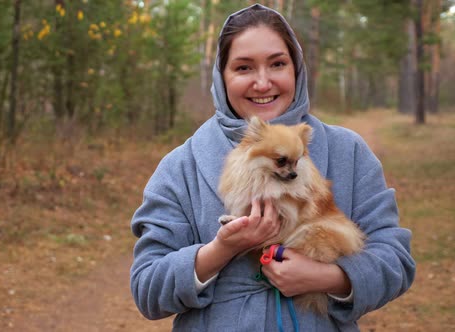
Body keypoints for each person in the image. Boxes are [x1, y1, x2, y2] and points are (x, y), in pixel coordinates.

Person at [130, 4, 415, 331]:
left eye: (277, 64)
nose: (262, 83)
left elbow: (396, 261)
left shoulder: (348, 152)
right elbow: (146, 288)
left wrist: (328, 278)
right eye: (243, 68)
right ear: (222, 77)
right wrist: (221, 250)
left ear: (297, 69)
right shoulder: (181, 166)